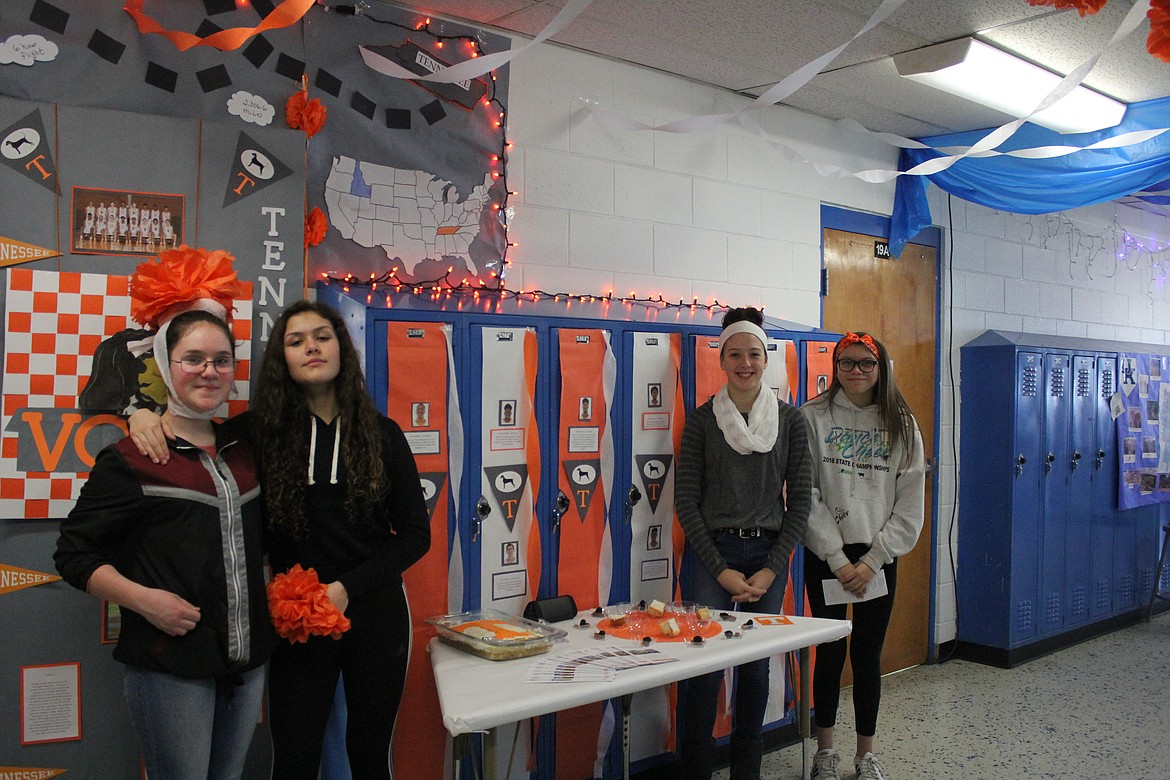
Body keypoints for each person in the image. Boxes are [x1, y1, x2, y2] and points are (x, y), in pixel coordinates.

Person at [131, 300, 430, 779]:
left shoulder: (383, 434)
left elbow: (416, 536)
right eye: (296, 341)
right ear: (282, 359)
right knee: (294, 754)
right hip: (293, 619)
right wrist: (142, 416)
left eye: (322, 336)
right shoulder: (255, 433)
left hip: (375, 616)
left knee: (370, 752)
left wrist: (346, 589)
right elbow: (186, 428)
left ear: (341, 350)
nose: (311, 346)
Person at [55, 258, 274, 780]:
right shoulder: (131, 459)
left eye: (222, 360)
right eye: (192, 358)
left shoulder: (246, 447)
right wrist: (143, 600)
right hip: (171, 669)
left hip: (247, 665)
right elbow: (73, 554)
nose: (209, 371)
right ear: (165, 362)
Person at [675, 306, 813, 780]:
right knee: (705, 666)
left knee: (755, 668)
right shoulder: (702, 422)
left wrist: (773, 569)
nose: (745, 363)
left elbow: (800, 504)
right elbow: (686, 503)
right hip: (714, 554)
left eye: (754, 353)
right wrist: (721, 570)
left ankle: (746, 771)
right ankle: (695, 768)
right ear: (722, 359)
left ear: (766, 357)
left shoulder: (791, 423)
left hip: (767, 558)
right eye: (735, 354)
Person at [801, 332, 925, 780]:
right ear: (834, 366)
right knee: (830, 655)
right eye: (846, 362)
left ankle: (865, 754)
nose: (855, 371)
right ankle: (826, 752)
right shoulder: (811, 417)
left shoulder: (901, 424)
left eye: (865, 364)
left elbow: (910, 501)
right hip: (825, 556)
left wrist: (874, 559)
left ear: (881, 368)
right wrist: (836, 558)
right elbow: (805, 493)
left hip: (878, 556)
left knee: (868, 656)